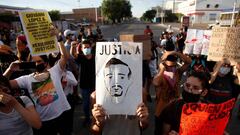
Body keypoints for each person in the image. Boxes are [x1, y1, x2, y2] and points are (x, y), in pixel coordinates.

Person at [4, 28, 72, 135]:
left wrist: (59, 39)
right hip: (44, 122)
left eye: (39, 61)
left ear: (45, 63)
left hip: (63, 115)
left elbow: (65, 56)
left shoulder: (54, 71)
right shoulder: (26, 79)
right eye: (33, 62)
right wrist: (10, 69)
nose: (36, 65)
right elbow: (3, 83)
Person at [153, 51, 192, 135]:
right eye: (169, 66)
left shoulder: (178, 72)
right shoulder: (160, 75)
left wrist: (175, 53)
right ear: (164, 64)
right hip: (161, 111)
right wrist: (162, 69)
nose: (172, 69)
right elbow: (155, 83)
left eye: (174, 66)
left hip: (174, 111)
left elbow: (189, 62)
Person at [71, 39, 95, 125]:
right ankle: (87, 118)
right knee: (85, 105)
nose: (86, 49)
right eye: (84, 47)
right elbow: (73, 54)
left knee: (96, 104)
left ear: (91, 47)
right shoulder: (81, 57)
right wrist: (72, 47)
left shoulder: (96, 57)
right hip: (84, 86)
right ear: (82, 48)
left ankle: (96, 119)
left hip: (95, 85)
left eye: (88, 47)